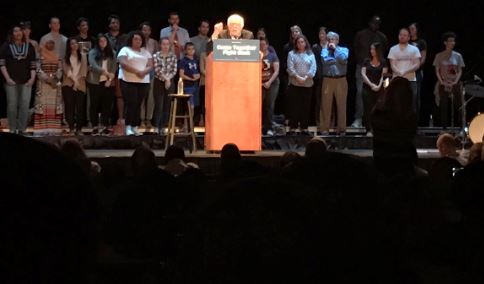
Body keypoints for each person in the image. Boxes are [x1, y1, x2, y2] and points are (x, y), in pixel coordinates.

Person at [352, 15, 388, 128]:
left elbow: (384, 51)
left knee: (379, 93)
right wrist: (363, 63)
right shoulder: (361, 34)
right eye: (373, 23)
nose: (375, 25)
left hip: (377, 70)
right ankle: (358, 119)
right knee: (360, 93)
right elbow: (356, 49)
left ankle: (377, 120)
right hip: (363, 67)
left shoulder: (382, 37)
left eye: (377, 23)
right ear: (369, 23)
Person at [0, 25, 36, 134]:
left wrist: (32, 78)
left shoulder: (29, 46)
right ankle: (12, 129)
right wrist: (8, 78)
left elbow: (33, 65)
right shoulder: (6, 46)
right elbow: (2, 64)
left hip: (26, 81)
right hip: (11, 81)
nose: (18, 33)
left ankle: (21, 129)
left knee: (24, 105)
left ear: (23, 33)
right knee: (12, 105)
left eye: (20, 30)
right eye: (15, 31)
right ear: (12, 33)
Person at [117, 31, 153, 136]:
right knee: (130, 104)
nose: (138, 41)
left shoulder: (145, 51)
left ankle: (135, 126)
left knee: (138, 104)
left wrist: (143, 72)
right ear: (131, 40)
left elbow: (151, 65)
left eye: (140, 39)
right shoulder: (125, 50)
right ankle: (128, 126)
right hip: (128, 81)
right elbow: (122, 63)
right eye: (135, 39)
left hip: (143, 82)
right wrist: (136, 71)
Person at [433, 31, 465, 128]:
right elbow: (437, 70)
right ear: (445, 43)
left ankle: (460, 127)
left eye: (453, 41)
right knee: (444, 106)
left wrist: (455, 82)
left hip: (455, 83)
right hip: (443, 83)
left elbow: (460, 70)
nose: (452, 43)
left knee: (458, 106)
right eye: (450, 41)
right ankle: (444, 127)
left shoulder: (458, 56)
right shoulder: (439, 56)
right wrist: (442, 82)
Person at [320, 31, 349, 135]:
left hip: (341, 80)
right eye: (328, 39)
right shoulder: (324, 50)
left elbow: (343, 59)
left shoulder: (344, 50)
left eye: (332, 39)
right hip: (328, 80)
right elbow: (324, 61)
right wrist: (336, 59)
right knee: (325, 105)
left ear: (337, 40)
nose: (330, 41)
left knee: (341, 105)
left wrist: (335, 50)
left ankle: (341, 129)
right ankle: (324, 129)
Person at [286, 34, 316, 135]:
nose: (300, 44)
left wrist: (306, 78)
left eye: (302, 42)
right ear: (296, 44)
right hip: (295, 84)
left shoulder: (310, 54)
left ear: (305, 43)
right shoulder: (291, 54)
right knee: (295, 106)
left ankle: (304, 127)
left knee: (305, 107)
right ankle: (293, 127)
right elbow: (290, 68)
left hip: (307, 84)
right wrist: (298, 77)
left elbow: (313, 68)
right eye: (298, 42)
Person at [87, 34, 116, 135]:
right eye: (101, 41)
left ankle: (105, 126)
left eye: (104, 41)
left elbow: (114, 67)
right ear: (98, 43)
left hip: (108, 81)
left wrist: (110, 78)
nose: (103, 43)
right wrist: (105, 73)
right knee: (94, 104)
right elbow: (93, 65)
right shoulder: (93, 52)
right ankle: (94, 126)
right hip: (95, 82)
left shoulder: (112, 52)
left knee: (107, 105)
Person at [33, 39, 63, 135]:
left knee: (54, 106)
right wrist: (47, 79)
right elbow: (37, 69)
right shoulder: (40, 56)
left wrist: (54, 78)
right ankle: (42, 130)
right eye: (48, 43)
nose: (50, 45)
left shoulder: (58, 56)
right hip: (43, 84)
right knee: (43, 105)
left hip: (54, 84)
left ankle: (54, 130)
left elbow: (60, 69)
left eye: (52, 43)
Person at [388, 28, 421, 113]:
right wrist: (399, 72)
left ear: (409, 37)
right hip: (397, 78)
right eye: (400, 35)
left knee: (412, 100)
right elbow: (392, 64)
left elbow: (417, 64)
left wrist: (405, 71)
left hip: (410, 78)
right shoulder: (393, 49)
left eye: (404, 35)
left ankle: (411, 122)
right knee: (397, 100)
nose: (402, 37)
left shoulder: (414, 49)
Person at [62, 37, 88, 135]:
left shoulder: (83, 56)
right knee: (70, 107)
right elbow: (66, 70)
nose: (74, 45)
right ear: (69, 46)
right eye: (72, 43)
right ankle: (71, 128)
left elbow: (84, 71)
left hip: (80, 84)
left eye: (76, 43)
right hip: (68, 84)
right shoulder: (65, 57)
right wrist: (74, 81)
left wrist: (77, 83)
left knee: (80, 107)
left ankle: (79, 129)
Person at [361, 42, 388, 135]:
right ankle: (369, 129)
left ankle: (378, 129)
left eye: (373, 49)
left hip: (379, 89)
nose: (371, 51)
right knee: (368, 109)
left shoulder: (383, 61)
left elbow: (383, 75)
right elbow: (363, 74)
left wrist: (379, 86)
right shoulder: (366, 60)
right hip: (367, 88)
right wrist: (371, 84)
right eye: (371, 49)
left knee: (378, 109)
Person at [152, 37, 177, 132]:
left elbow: (174, 70)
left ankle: (163, 126)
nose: (165, 46)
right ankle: (156, 126)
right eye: (163, 44)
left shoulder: (173, 56)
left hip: (170, 81)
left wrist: (168, 79)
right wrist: (165, 79)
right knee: (159, 104)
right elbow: (157, 70)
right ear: (160, 45)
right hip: (159, 81)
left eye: (167, 44)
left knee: (167, 105)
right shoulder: (156, 56)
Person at [139, 21, 159, 130]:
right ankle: (141, 119)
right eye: (144, 30)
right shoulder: (137, 42)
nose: (146, 32)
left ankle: (149, 119)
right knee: (141, 96)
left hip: (151, 72)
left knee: (151, 97)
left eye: (148, 30)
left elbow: (156, 57)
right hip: (140, 73)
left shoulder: (154, 42)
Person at [260, 37, 280, 136]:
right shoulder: (255, 55)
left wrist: (269, 82)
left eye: (264, 44)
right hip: (260, 83)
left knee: (269, 105)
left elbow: (276, 71)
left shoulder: (272, 56)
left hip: (272, 83)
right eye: (260, 45)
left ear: (267, 45)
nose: (262, 46)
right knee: (259, 106)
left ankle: (269, 128)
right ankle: (260, 127)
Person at [409, 22, 427, 123]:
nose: (410, 31)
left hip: (417, 72)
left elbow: (423, 58)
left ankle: (415, 121)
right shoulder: (406, 41)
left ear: (416, 30)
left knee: (415, 96)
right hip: (406, 72)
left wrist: (416, 67)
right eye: (409, 29)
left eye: (412, 29)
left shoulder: (421, 42)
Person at [178, 42, 200, 121]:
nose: (191, 51)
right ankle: (187, 127)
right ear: (185, 50)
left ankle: (188, 127)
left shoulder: (195, 60)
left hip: (195, 86)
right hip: (188, 86)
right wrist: (191, 79)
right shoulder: (183, 61)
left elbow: (197, 72)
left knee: (193, 107)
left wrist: (198, 76)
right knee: (190, 107)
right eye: (189, 49)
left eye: (192, 49)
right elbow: (181, 74)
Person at [312, 26, 328, 127]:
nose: (321, 35)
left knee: (328, 100)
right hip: (319, 77)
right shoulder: (315, 47)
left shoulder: (331, 46)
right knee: (318, 100)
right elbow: (314, 62)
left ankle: (329, 122)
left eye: (323, 33)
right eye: (320, 33)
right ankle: (318, 122)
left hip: (329, 76)